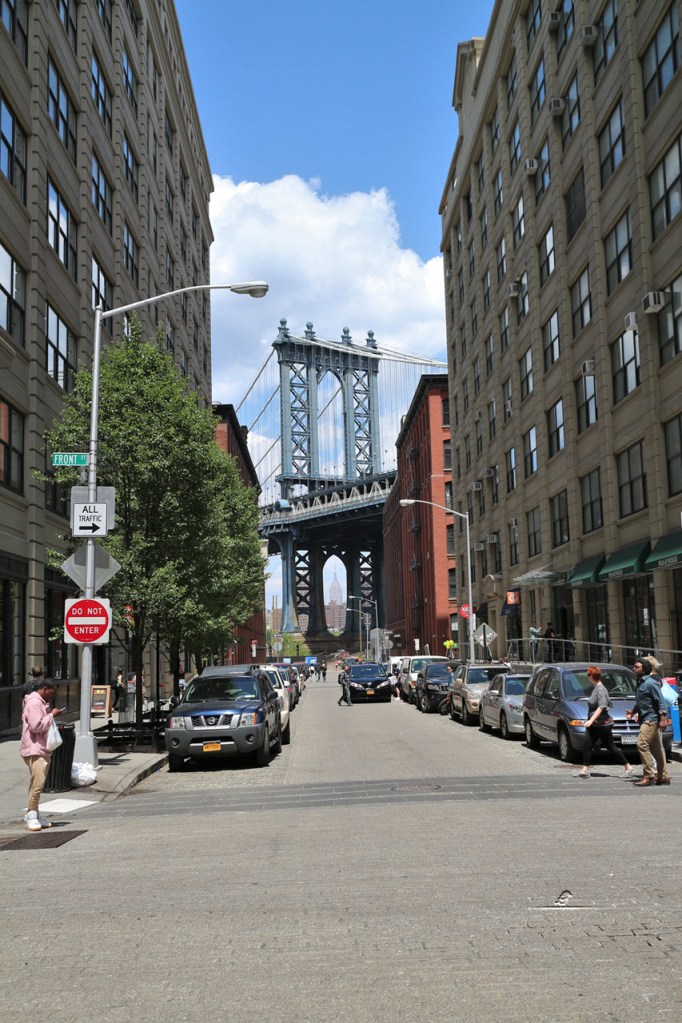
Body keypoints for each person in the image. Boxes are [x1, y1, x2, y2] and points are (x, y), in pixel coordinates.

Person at [575, 666, 634, 779]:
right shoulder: (596, 688)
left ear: (591, 677)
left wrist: (590, 720)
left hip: (602, 724)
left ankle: (628, 768)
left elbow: (602, 707)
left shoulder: (601, 689)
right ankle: (585, 770)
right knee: (587, 745)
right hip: (595, 724)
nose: (588, 678)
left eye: (588, 676)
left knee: (610, 746)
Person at [20, 678, 63, 831]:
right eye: (52, 692)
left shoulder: (40, 703)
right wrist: (52, 715)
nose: (53, 695)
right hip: (34, 748)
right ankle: (31, 815)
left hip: (40, 748)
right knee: (38, 783)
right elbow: (36, 726)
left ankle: (34, 813)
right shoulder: (34, 703)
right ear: (44, 689)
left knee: (37, 783)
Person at [628, 658, 670, 787]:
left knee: (641, 744)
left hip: (651, 719)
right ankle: (663, 777)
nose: (634, 669)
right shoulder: (640, 682)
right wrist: (633, 711)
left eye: (637, 667)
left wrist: (662, 719)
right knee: (656, 749)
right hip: (645, 718)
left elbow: (660, 701)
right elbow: (642, 701)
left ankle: (648, 775)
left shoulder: (651, 683)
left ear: (644, 669)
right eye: (634, 666)